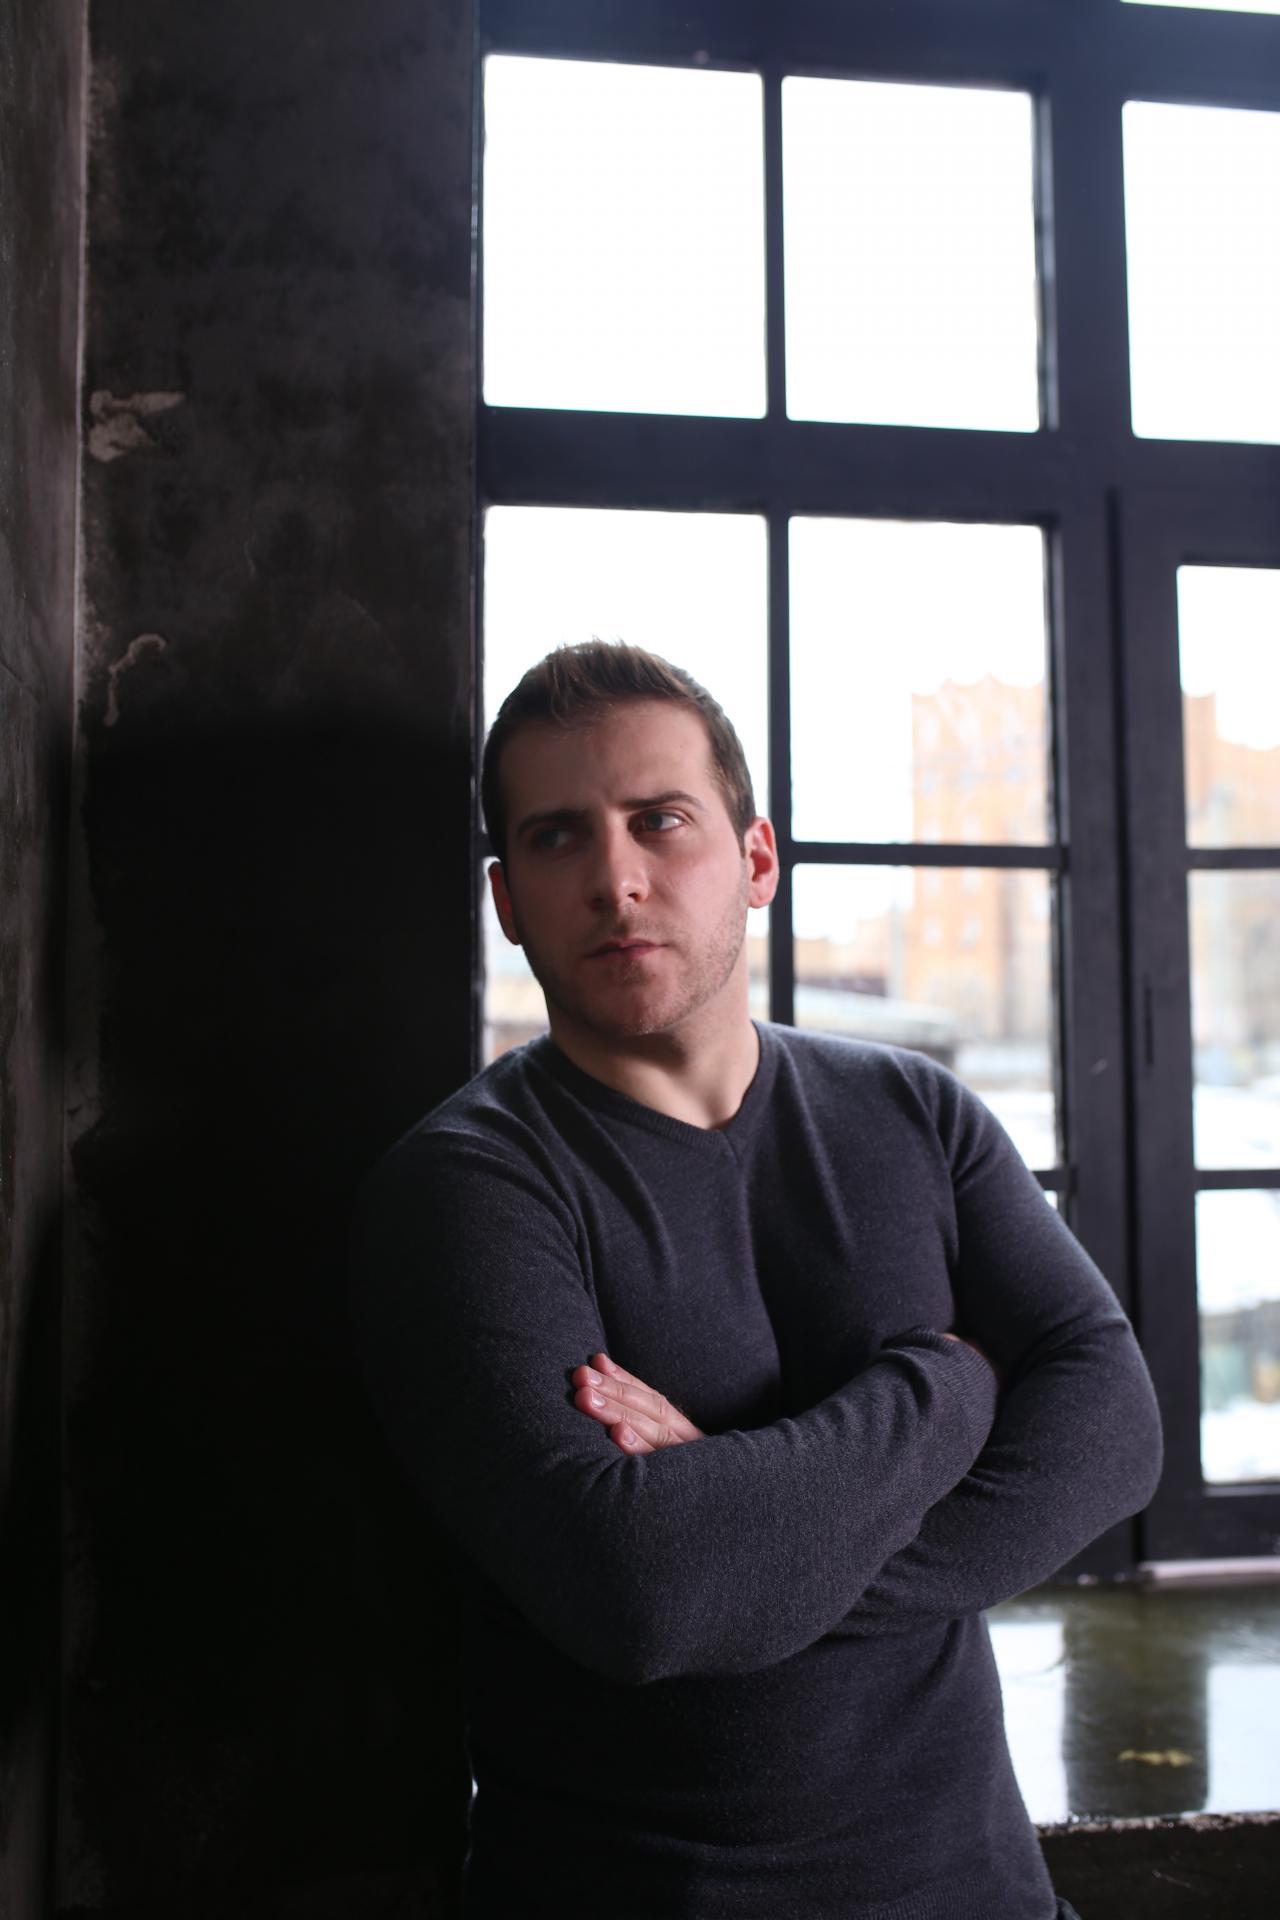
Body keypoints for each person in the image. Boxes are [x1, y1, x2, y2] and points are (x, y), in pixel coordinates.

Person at [352, 640, 1162, 1920]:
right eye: (558, 838)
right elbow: (645, 1596)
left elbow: (1112, 1434)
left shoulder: (916, 1114)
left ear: (756, 858)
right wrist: (946, 1384)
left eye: (658, 820)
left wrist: (754, 1557)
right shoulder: (463, 1189)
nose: (615, 879)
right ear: (507, 900)